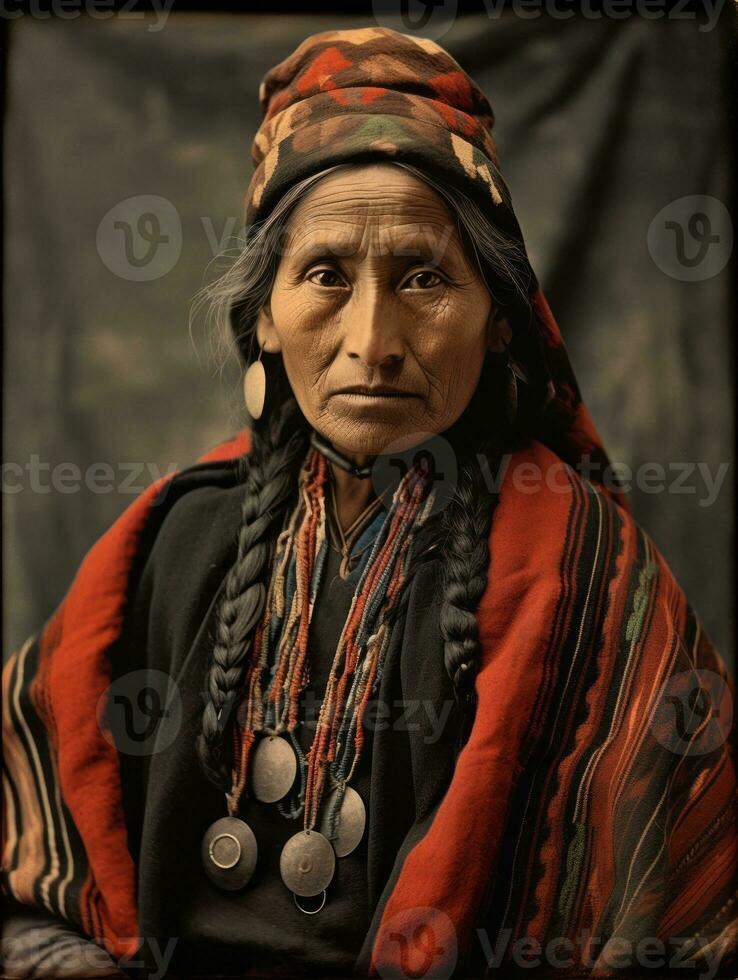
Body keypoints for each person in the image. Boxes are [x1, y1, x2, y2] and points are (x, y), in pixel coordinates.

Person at [2, 25, 735, 980]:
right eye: (325, 275)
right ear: (263, 314)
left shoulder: (584, 573)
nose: (373, 339)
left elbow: (685, 924)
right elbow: (33, 857)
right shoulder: (175, 538)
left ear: (500, 323)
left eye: (425, 277)